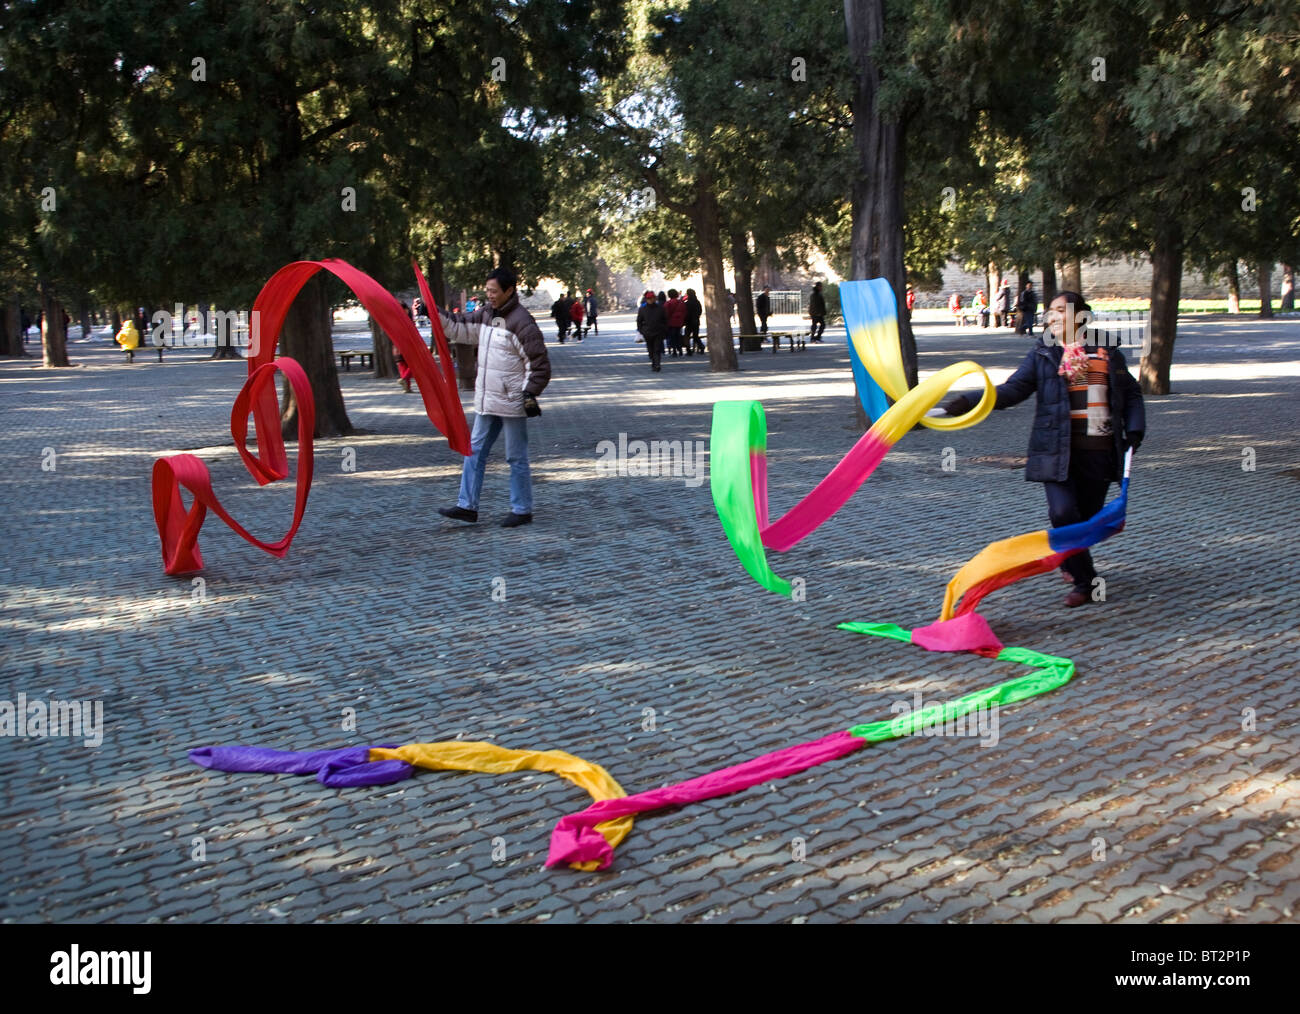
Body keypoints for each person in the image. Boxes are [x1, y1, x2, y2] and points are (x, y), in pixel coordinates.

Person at [940, 290, 1145, 608]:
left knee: (1085, 521)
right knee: (1063, 513)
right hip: (1056, 450)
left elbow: (1131, 393)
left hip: (1100, 450)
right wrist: (969, 401)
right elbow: (1013, 389)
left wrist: (1134, 428)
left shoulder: (1107, 351)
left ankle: (1069, 559)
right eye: (1050, 311)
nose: (1052, 316)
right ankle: (1086, 582)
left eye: (1060, 310)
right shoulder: (1043, 353)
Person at [436, 267, 551, 528]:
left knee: (515, 457)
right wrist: (433, 313)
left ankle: (522, 509)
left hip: (512, 402)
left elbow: (539, 364)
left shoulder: (522, 321)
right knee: (473, 452)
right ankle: (467, 506)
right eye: (487, 290)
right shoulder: (487, 315)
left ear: (509, 291)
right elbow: (459, 327)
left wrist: (529, 393)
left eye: (494, 291)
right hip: (487, 400)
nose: (489, 295)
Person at [636, 290, 667, 373]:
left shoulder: (660, 308)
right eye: (649, 299)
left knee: (657, 349)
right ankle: (653, 362)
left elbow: (665, 319)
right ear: (646, 299)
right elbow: (639, 321)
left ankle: (657, 364)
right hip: (647, 332)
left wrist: (664, 329)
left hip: (658, 332)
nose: (651, 300)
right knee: (650, 350)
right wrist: (641, 330)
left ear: (655, 299)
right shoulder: (642, 309)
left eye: (652, 298)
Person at [664, 288, 686, 356]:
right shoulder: (681, 302)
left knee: (672, 336)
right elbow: (684, 312)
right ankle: (680, 350)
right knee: (678, 335)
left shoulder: (668, 303)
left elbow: (666, 313)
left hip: (671, 322)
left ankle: (674, 350)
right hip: (679, 322)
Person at [684, 288, 704, 354]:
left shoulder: (687, 303)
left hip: (688, 322)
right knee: (695, 336)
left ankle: (688, 349)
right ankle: (701, 346)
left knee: (687, 336)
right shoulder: (697, 302)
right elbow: (700, 311)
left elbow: (686, 313)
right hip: (696, 321)